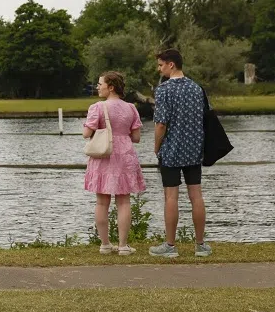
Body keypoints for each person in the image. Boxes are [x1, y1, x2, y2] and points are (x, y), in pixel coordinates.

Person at [149, 48, 211, 258]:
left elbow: (160, 125)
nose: (159, 69)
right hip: (194, 149)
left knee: (171, 196)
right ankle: (201, 245)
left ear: (171, 64)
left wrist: (157, 147)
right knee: (196, 195)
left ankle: (170, 245)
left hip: (172, 150)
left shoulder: (164, 90)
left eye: (160, 65)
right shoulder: (197, 88)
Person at [83, 71, 146, 255]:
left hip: (103, 155)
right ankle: (123, 246)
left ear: (110, 87)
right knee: (124, 202)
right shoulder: (131, 108)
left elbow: (87, 134)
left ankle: (104, 244)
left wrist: (89, 127)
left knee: (102, 202)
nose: (97, 87)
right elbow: (136, 137)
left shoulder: (97, 107)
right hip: (125, 155)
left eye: (100, 84)